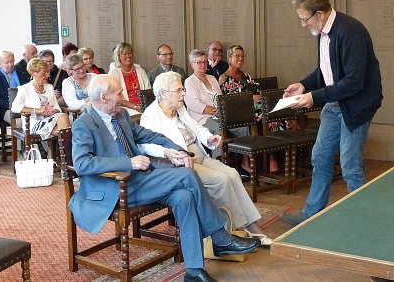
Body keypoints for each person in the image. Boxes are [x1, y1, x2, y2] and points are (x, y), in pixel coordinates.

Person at [69, 74, 260, 282]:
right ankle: (220, 237)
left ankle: (194, 271)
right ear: (104, 97)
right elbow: (82, 164)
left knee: (184, 197)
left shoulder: (121, 115)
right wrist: (128, 163)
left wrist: (175, 149)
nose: (123, 97)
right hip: (114, 188)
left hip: (139, 181)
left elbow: (148, 135)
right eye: (118, 93)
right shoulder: (84, 124)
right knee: (187, 175)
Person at [280, 0, 383, 226]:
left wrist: (313, 97)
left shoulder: (350, 31)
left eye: (304, 19)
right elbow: (326, 72)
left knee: (349, 166)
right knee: (321, 156)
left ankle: (364, 222)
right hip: (335, 102)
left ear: (320, 14)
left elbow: (354, 81)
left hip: (356, 106)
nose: (303, 25)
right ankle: (312, 213)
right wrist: (303, 85)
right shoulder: (322, 31)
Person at [139, 71, 272, 245]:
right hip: (182, 164)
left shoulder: (179, 108)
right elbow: (146, 145)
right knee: (221, 180)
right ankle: (233, 231)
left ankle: (250, 224)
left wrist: (209, 138)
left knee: (232, 174)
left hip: (198, 154)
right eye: (179, 90)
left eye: (183, 89)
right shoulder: (151, 115)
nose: (183, 93)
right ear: (164, 93)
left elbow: (196, 128)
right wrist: (167, 153)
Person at [219, 44, 285, 172]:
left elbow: (258, 92)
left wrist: (255, 98)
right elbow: (230, 102)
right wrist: (251, 98)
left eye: (242, 56)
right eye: (237, 56)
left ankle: (273, 156)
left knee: (277, 116)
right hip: (240, 113)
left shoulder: (245, 75)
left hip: (256, 108)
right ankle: (270, 159)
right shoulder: (223, 79)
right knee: (268, 118)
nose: (240, 59)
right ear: (229, 58)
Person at [185, 49, 251, 174]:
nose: (202, 65)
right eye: (198, 62)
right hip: (202, 119)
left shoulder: (212, 78)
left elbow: (221, 99)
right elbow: (197, 106)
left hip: (220, 115)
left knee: (243, 126)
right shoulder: (189, 82)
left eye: (204, 62)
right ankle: (219, 164)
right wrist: (218, 112)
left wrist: (222, 112)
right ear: (192, 64)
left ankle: (244, 163)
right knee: (219, 127)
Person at [11, 58, 70, 139]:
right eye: (44, 73)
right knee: (67, 129)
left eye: (48, 72)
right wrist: (37, 110)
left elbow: (57, 108)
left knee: (64, 121)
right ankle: (68, 151)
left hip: (50, 120)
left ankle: (65, 151)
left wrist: (52, 111)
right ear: (34, 73)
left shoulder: (49, 87)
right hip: (33, 124)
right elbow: (15, 107)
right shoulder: (24, 89)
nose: (48, 75)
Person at [108, 42, 151, 115]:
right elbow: (115, 98)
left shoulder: (141, 71)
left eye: (130, 53)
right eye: (124, 54)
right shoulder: (114, 73)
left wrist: (144, 107)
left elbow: (148, 92)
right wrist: (135, 107)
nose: (128, 56)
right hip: (124, 109)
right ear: (118, 57)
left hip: (144, 108)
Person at [0, 51, 29, 124]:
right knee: (20, 122)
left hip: (24, 107)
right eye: (7, 63)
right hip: (5, 109)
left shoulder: (22, 75)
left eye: (12, 61)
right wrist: (14, 107)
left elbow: (28, 92)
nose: (10, 65)